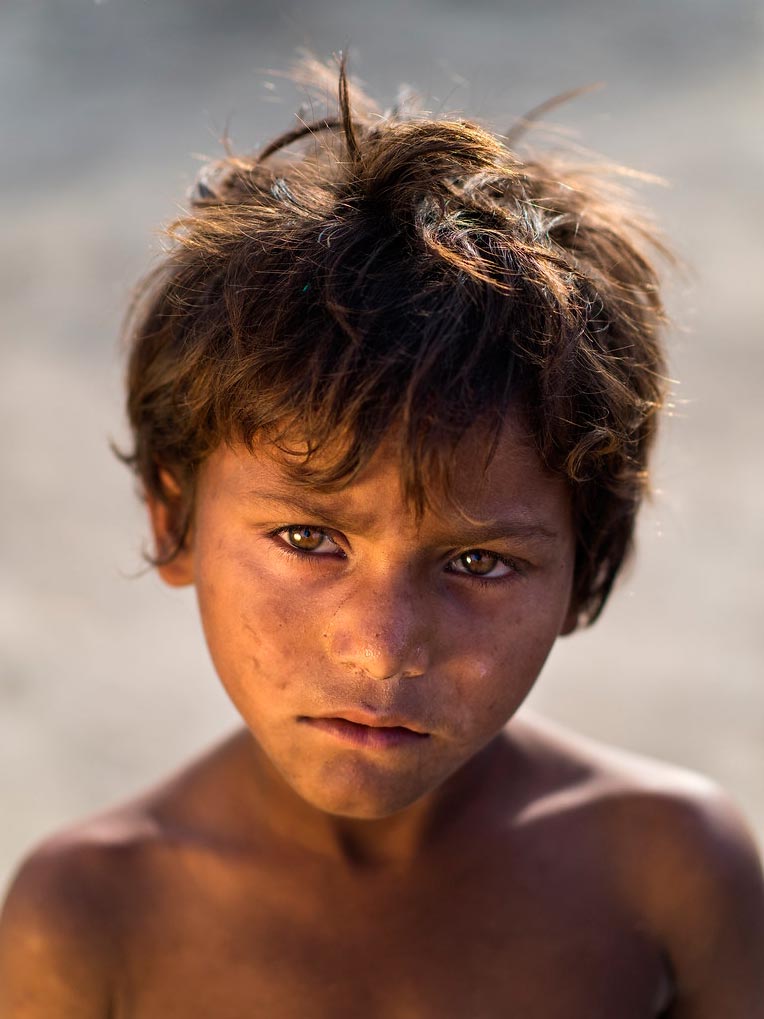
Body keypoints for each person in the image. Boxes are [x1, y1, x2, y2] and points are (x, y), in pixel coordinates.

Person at [1, 60, 762, 1018]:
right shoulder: (89, 920)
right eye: (308, 536)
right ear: (173, 519)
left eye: (479, 562)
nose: (383, 644)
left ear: (586, 569)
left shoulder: (669, 875)